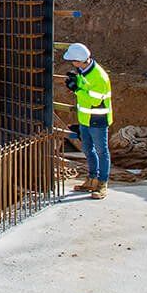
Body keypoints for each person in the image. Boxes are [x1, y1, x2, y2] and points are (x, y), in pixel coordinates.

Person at [63, 42, 113, 198]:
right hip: (85, 118)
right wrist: (76, 81)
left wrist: (76, 89)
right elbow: (85, 90)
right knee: (87, 149)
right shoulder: (82, 71)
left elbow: (94, 100)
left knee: (101, 151)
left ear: (79, 60)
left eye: (73, 60)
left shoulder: (100, 77)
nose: (72, 63)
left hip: (98, 120)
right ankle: (92, 179)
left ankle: (102, 183)